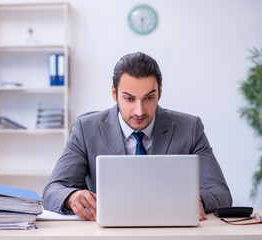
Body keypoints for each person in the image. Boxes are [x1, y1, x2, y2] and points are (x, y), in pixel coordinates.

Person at [43, 52, 232, 221]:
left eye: (149, 98)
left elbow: (221, 192)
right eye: (129, 98)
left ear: (160, 92)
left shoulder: (189, 128)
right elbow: (53, 190)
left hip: (170, 231)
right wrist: (72, 197)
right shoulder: (86, 129)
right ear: (114, 93)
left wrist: (197, 199)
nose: (139, 111)